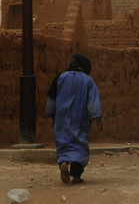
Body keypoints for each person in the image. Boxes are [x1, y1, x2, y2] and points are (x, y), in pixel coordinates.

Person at [44, 54, 102, 185]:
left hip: (61, 118)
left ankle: (63, 162)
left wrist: (51, 114)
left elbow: (51, 99)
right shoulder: (88, 80)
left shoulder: (60, 77)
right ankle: (76, 176)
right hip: (80, 119)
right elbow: (93, 102)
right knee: (79, 146)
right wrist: (97, 117)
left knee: (63, 144)